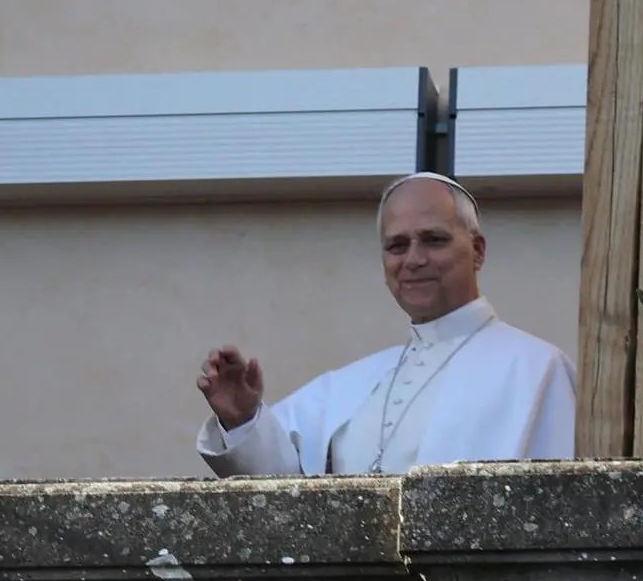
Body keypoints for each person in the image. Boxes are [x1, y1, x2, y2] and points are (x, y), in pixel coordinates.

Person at [195, 172, 575, 476]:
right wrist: (244, 419)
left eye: (434, 240)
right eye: (397, 246)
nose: (414, 259)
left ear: (477, 251)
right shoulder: (351, 383)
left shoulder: (537, 369)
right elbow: (283, 497)